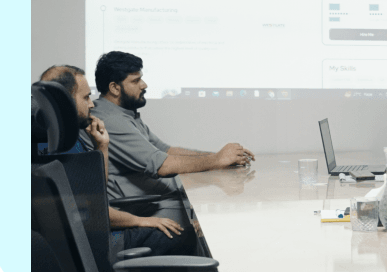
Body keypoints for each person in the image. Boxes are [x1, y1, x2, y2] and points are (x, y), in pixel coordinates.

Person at [39, 65, 196, 258]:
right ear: (64, 102)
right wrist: (141, 221)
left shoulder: (61, 140)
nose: (91, 104)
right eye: (86, 97)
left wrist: (102, 148)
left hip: (91, 239)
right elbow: (94, 211)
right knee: (187, 236)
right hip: (99, 245)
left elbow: (96, 194)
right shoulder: (66, 148)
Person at [81, 51, 255, 223]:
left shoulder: (124, 114)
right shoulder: (110, 120)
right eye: (136, 81)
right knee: (222, 214)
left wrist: (220, 157)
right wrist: (217, 159)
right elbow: (161, 165)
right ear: (114, 88)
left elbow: (166, 150)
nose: (144, 85)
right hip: (140, 210)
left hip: (155, 200)